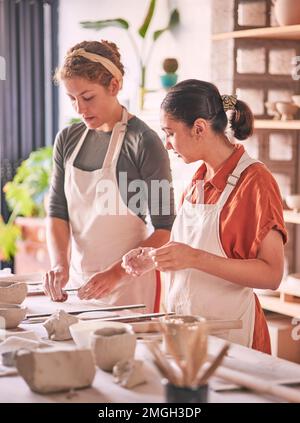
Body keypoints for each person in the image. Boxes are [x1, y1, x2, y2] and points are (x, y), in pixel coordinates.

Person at [124, 79, 287, 352]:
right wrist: (153, 257)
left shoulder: (256, 181)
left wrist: (194, 258)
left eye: (170, 133)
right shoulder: (198, 179)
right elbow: (190, 253)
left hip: (233, 340)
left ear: (199, 128)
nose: (166, 144)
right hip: (186, 335)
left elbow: (272, 275)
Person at [43, 40, 175, 313]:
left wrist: (116, 274)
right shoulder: (68, 140)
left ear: (114, 86)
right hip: (79, 287)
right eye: (72, 99)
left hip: (130, 289)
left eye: (87, 97)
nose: (79, 109)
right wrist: (60, 264)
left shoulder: (144, 142)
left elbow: (165, 230)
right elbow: (57, 212)